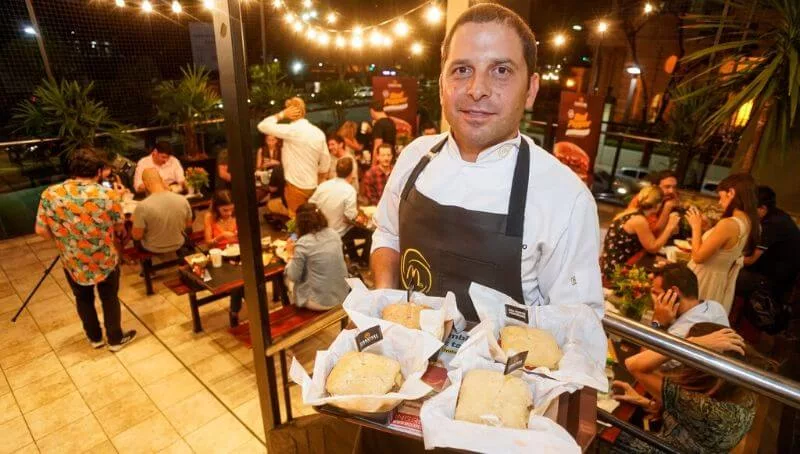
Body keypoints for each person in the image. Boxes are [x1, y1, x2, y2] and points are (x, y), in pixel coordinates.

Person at [371, 3, 604, 322]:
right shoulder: (415, 156)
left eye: (501, 71)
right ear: (441, 86)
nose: (477, 89)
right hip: (404, 346)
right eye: (462, 70)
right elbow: (387, 234)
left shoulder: (566, 198)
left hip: (505, 357)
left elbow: (577, 324)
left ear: (531, 89)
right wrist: (383, 305)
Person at [35, 147, 137, 351]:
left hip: (73, 260)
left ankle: (95, 338)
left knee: (83, 298)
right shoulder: (107, 195)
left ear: (73, 169)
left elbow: (40, 230)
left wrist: (64, 238)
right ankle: (115, 339)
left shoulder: (50, 194)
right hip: (104, 258)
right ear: (99, 171)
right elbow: (119, 226)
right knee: (109, 298)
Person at [612, 323, 767, 453]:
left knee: (606, 428)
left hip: (661, 448)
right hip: (671, 441)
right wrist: (647, 403)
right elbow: (690, 419)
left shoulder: (708, 410)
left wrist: (692, 343)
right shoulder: (742, 391)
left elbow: (634, 365)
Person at [687, 173, 759, 313]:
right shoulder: (750, 223)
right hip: (718, 281)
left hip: (703, 279)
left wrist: (695, 227)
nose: (720, 203)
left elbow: (698, 257)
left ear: (731, 193)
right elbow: (724, 250)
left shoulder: (729, 224)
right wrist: (708, 229)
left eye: (721, 197)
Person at [257, 97, 330, 217]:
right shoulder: (318, 132)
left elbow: (262, 126)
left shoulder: (292, 130)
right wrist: (319, 178)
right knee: (312, 217)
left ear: (290, 111)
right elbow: (325, 162)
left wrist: (281, 114)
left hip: (295, 186)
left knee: (296, 219)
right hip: (313, 185)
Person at [601, 186, 680, 281]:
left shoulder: (632, 212)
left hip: (609, 265)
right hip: (615, 273)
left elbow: (654, 234)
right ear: (658, 205)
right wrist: (670, 226)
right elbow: (653, 248)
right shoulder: (639, 221)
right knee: (663, 278)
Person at [284, 203, 349, 310]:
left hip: (321, 302)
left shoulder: (304, 243)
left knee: (288, 278)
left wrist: (290, 254)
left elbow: (293, 276)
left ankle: (290, 310)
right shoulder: (334, 234)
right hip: (342, 295)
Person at [740, 185, 800, 299]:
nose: (746, 213)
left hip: (773, 281)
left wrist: (728, 259)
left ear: (762, 208)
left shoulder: (771, 224)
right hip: (770, 272)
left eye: (750, 209)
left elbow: (750, 260)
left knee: (729, 276)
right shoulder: (776, 214)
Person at [311, 158, 373, 266]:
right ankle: (363, 261)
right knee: (370, 233)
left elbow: (311, 204)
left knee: (348, 226)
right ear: (352, 172)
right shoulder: (349, 190)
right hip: (338, 232)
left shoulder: (323, 185)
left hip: (321, 228)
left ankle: (354, 257)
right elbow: (351, 216)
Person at [649, 263, 729, 337]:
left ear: (673, 293)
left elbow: (647, 346)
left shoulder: (680, 332)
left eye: (656, 293)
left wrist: (657, 322)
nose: (652, 297)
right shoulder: (715, 306)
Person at [131, 169, 194, 255]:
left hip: (153, 247)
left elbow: (137, 236)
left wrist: (134, 221)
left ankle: (146, 262)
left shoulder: (142, 206)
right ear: (161, 180)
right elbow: (188, 226)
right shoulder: (183, 200)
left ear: (145, 184)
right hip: (178, 243)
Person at [203, 190, 243, 326]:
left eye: (231, 209)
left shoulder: (237, 214)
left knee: (243, 277)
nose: (229, 213)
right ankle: (235, 311)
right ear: (216, 208)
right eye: (225, 210)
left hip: (237, 254)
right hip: (219, 256)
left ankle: (235, 310)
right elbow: (208, 243)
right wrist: (221, 237)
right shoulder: (209, 217)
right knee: (238, 280)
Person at [628, 170, 681, 235]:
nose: (671, 191)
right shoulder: (645, 199)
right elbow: (654, 233)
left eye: (674, 187)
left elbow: (675, 230)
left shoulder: (668, 199)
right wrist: (667, 208)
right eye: (667, 187)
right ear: (655, 187)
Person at [370, 100, 397, 165]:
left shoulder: (378, 124)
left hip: (382, 161)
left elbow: (378, 145)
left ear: (372, 110)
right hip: (390, 159)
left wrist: (373, 164)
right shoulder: (391, 122)